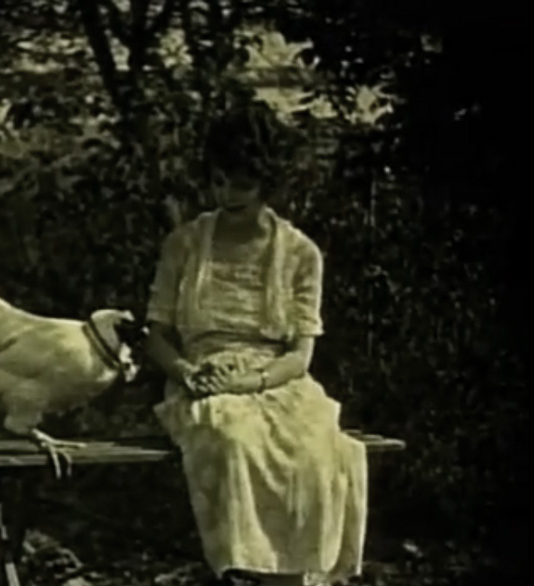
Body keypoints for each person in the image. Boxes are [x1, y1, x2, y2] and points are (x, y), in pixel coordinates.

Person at [144, 104, 368, 586]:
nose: (226, 194)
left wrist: (253, 381)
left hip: (278, 382)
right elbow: (156, 336)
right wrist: (187, 373)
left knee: (315, 450)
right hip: (203, 379)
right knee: (234, 439)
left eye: (241, 184)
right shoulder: (185, 244)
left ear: (267, 182)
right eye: (218, 181)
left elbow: (300, 356)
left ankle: (292, 579)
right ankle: (250, 572)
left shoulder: (301, 253)